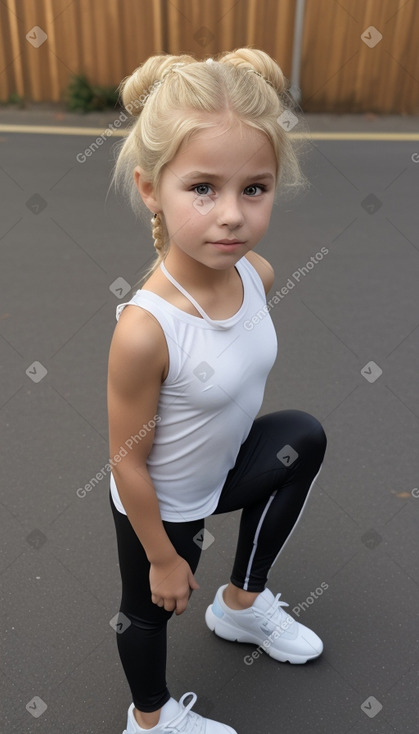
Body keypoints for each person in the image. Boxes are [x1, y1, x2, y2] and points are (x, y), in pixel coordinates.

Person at [107, 47, 327, 734]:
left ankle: (239, 604)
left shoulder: (253, 274)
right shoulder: (147, 331)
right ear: (151, 189)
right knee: (145, 611)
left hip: (223, 469)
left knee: (301, 437)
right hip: (165, 502)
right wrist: (166, 558)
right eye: (202, 188)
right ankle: (149, 720)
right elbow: (124, 463)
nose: (230, 214)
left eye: (253, 189)